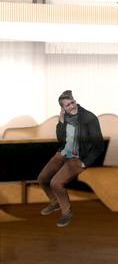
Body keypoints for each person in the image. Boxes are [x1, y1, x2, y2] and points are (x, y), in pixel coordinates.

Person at [37, 90, 105, 228]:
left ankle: (66, 212)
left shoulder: (89, 118)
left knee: (56, 183)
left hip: (78, 157)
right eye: (67, 105)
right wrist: (61, 122)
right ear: (62, 108)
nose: (72, 106)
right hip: (63, 152)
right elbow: (60, 140)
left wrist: (85, 162)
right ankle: (55, 202)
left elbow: (99, 145)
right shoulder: (65, 118)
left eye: (72, 102)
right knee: (42, 179)